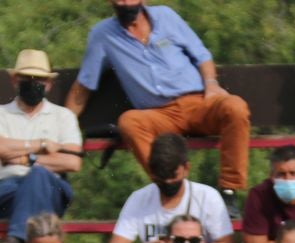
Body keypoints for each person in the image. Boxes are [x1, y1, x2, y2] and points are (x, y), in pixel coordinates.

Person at [67, 0, 250, 213]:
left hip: (198, 102)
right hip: (159, 114)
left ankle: (229, 192)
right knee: (129, 122)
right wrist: (64, 127)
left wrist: (211, 84)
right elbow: (83, 86)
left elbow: (202, 56)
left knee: (235, 107)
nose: (126, 4)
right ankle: (170, 186)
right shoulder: (102, 35)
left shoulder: (166, 16)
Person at [101, 134, 233, 243]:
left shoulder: (207, 196)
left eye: (173, 176)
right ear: (152, 173)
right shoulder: (139, 198)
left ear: (186, 168)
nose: (168, 183)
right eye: (161, 179)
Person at [0, 50, 82, 243]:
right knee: (38, 177)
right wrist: (42, 145)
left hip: (52, 189)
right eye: (26, 79)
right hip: (10, 192)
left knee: (38, 175)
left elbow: (73, 162)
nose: (33, 84)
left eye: (38, 79)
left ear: (49, 83)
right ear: (14, 80)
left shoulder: (63, 116)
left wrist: (25, 159)